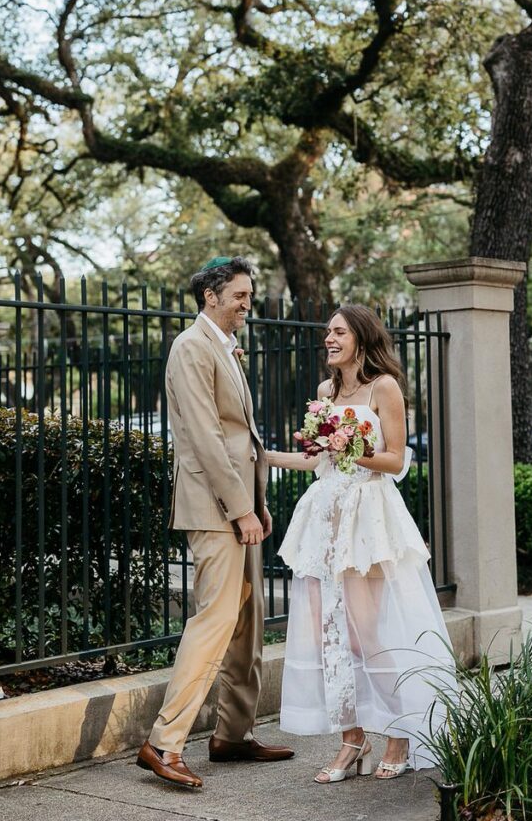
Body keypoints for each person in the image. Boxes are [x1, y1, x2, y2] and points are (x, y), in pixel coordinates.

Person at [268, 305, 456, 783]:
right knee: (325, 630)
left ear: (360, 337)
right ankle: (352, 738)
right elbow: (317, 464)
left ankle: (399, 733)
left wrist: (349, 448)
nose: (328, 338)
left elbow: (395, 460)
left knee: (364, 634)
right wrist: (263, 454)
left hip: (367, 518)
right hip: (326, 517)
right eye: (327, 332)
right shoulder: (325, 392)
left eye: (338, 331)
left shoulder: (384, 387)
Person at [137, 256, 294, 789]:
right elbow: (204, 437)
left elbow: (240, 438)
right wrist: (240, 507)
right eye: (240, 295)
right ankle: (163, 743)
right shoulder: (191, 346)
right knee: (215, 620)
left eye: (249, 296)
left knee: (247, 630)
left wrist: (259, 501)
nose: (247, 304)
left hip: (241, 505)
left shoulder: (226, 348)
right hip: (214, 508)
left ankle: (232, 735)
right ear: (211, 296)